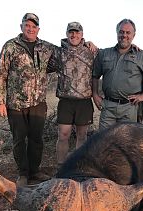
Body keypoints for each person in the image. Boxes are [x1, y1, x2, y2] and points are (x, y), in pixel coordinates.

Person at [0, 13, 55, 187]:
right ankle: (23, 174)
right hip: (15, 104)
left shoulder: (46, 47)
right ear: (21, 27)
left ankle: (34, 171)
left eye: (34, 26)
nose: (30, 29)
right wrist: (0, 101)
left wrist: (87, 42)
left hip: (38, 103)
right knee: (19, 140)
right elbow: (0, 74)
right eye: (27, 25)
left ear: (38, 29)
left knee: (36, 139)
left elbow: (66, 52)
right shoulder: (10, 46)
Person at [92, 18, 143, 130]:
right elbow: (95, 75)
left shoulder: (141, 56)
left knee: (126, 143)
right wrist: (95, 94)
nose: (124, 35)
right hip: (108, 106)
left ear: (134, 35)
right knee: (104, 143)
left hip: (129, 108)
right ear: (117, 33)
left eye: (128, 32)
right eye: (121, 32)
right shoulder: (104, 53)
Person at [48, 22, 97, 168]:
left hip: (84, 102)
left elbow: (111, 56)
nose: (73, 35)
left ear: (82, 34)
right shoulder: (58, 53)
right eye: (71, 32)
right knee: (63, 135)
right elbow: (41, 66)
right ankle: (61, 168)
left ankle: (78, 167)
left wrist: (134, 48)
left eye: (77, 32)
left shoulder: (91, 51)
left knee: (82, 136)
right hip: (66, 102)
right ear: (67, 33)